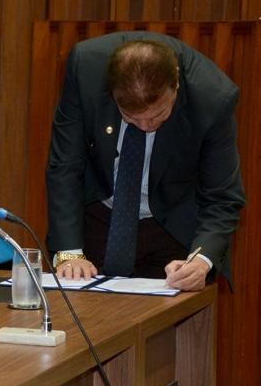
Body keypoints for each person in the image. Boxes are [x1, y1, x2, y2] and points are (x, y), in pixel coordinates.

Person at [46, 32, 245, 291]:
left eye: (157, 115)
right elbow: (65, 165)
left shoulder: (213, 97)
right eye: (130, 117)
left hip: (174, 225)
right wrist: (69, 252)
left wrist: (200, 260)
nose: (144, 126)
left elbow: (222, 196)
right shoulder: (85, 69)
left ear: (176, 82)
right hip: (99, 217)